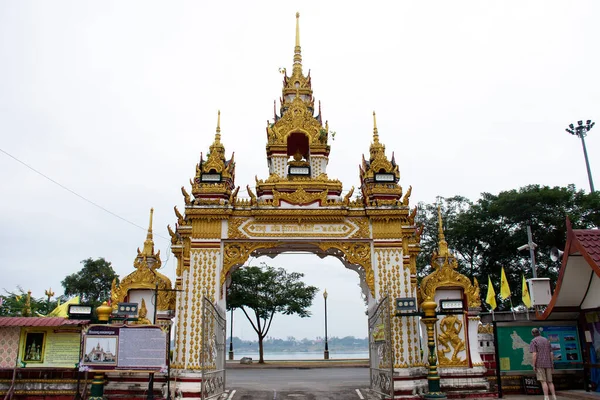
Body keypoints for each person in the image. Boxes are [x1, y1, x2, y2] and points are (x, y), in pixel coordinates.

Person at [530, 328, 556, 400]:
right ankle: (554, 396)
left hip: (539, 363)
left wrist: (533, 365)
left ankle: (546, 397)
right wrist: (552, 363)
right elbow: (551, 353)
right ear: (539, 332)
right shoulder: (546, 340)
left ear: (532, 334)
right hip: (548, 363)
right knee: (550, 381)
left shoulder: (533, 341)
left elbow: (534, 354)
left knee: (543, 381)